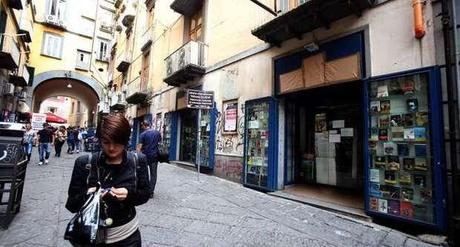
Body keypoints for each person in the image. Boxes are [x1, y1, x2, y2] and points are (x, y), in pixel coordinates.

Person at [65, 114, 150, 246]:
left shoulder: (138, 161)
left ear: (126, 140)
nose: (111, 148)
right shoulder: (84, 163)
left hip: (127, 237)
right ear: (99, 140)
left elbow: (145, 195)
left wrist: (129, 195)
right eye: (106, 142)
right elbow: (71, 205)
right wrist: (88, 195)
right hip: (90, 238)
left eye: (117, 142)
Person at [136, 121, 161, 197]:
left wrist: (137, 156)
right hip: (154, 156)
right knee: (153, 174)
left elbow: (139, 148)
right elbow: (159, 142)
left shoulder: (143, 134)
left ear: (144, 126)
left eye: (141, 126)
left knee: (142, 173)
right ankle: (151, 192)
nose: (141, 127)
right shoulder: (157, 133)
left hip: (145, 156)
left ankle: (143, 189)